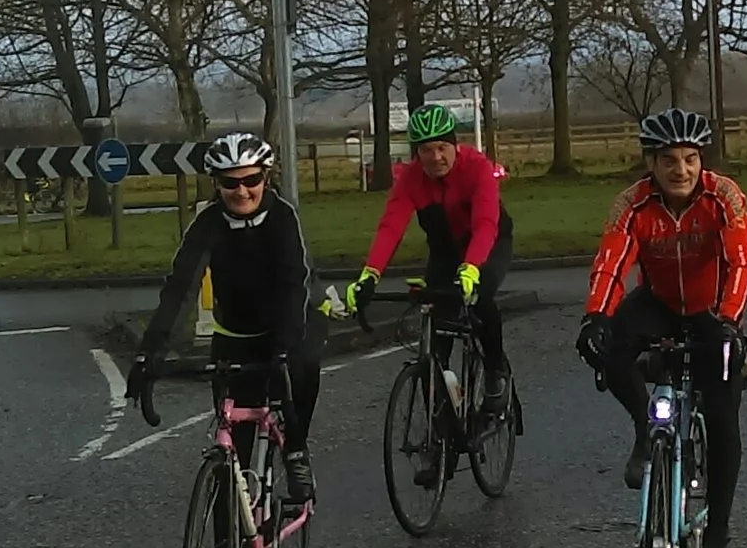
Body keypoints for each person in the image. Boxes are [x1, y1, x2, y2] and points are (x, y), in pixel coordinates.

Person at [575, 108, 747, 548]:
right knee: (611, 348)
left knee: (723, 420)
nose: (681, 169)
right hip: (657, 302)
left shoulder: (724, 196)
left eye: (690, 159)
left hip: (710, 310)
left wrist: (730, 322)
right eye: (669, 160)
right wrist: (596, 316)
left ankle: (716, 538)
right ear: (650, 163)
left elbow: (741, 261)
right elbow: (612, 261)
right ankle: (644, 431)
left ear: (702, 161)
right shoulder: (632, 204)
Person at [130, 132, 323, 505]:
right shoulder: (208, 223)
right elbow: (180, 289)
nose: (242, 191)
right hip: (236, 333)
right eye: (230, 183)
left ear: (266, 178)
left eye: (252, 180)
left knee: (304, 366)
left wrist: (284, 348)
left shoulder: (282, 216)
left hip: (288, 323)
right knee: (235, 446)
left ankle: (296, 449)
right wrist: (149, 351)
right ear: (216, 185)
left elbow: (293, 283)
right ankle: (231, 529)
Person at [346, 105, 515, 487]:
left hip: (487, 243)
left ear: (454, 145)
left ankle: (495, 372)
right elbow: (391, 227)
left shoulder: (476, 168)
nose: (435, 157)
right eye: (425, 150)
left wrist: (471, 269)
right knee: (433, 347)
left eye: (442, 147)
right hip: (445, 249)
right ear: (416, 153)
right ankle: (441, 441)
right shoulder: (410, 180)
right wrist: (369, 275)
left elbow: (485, 223)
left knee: (481, 296)